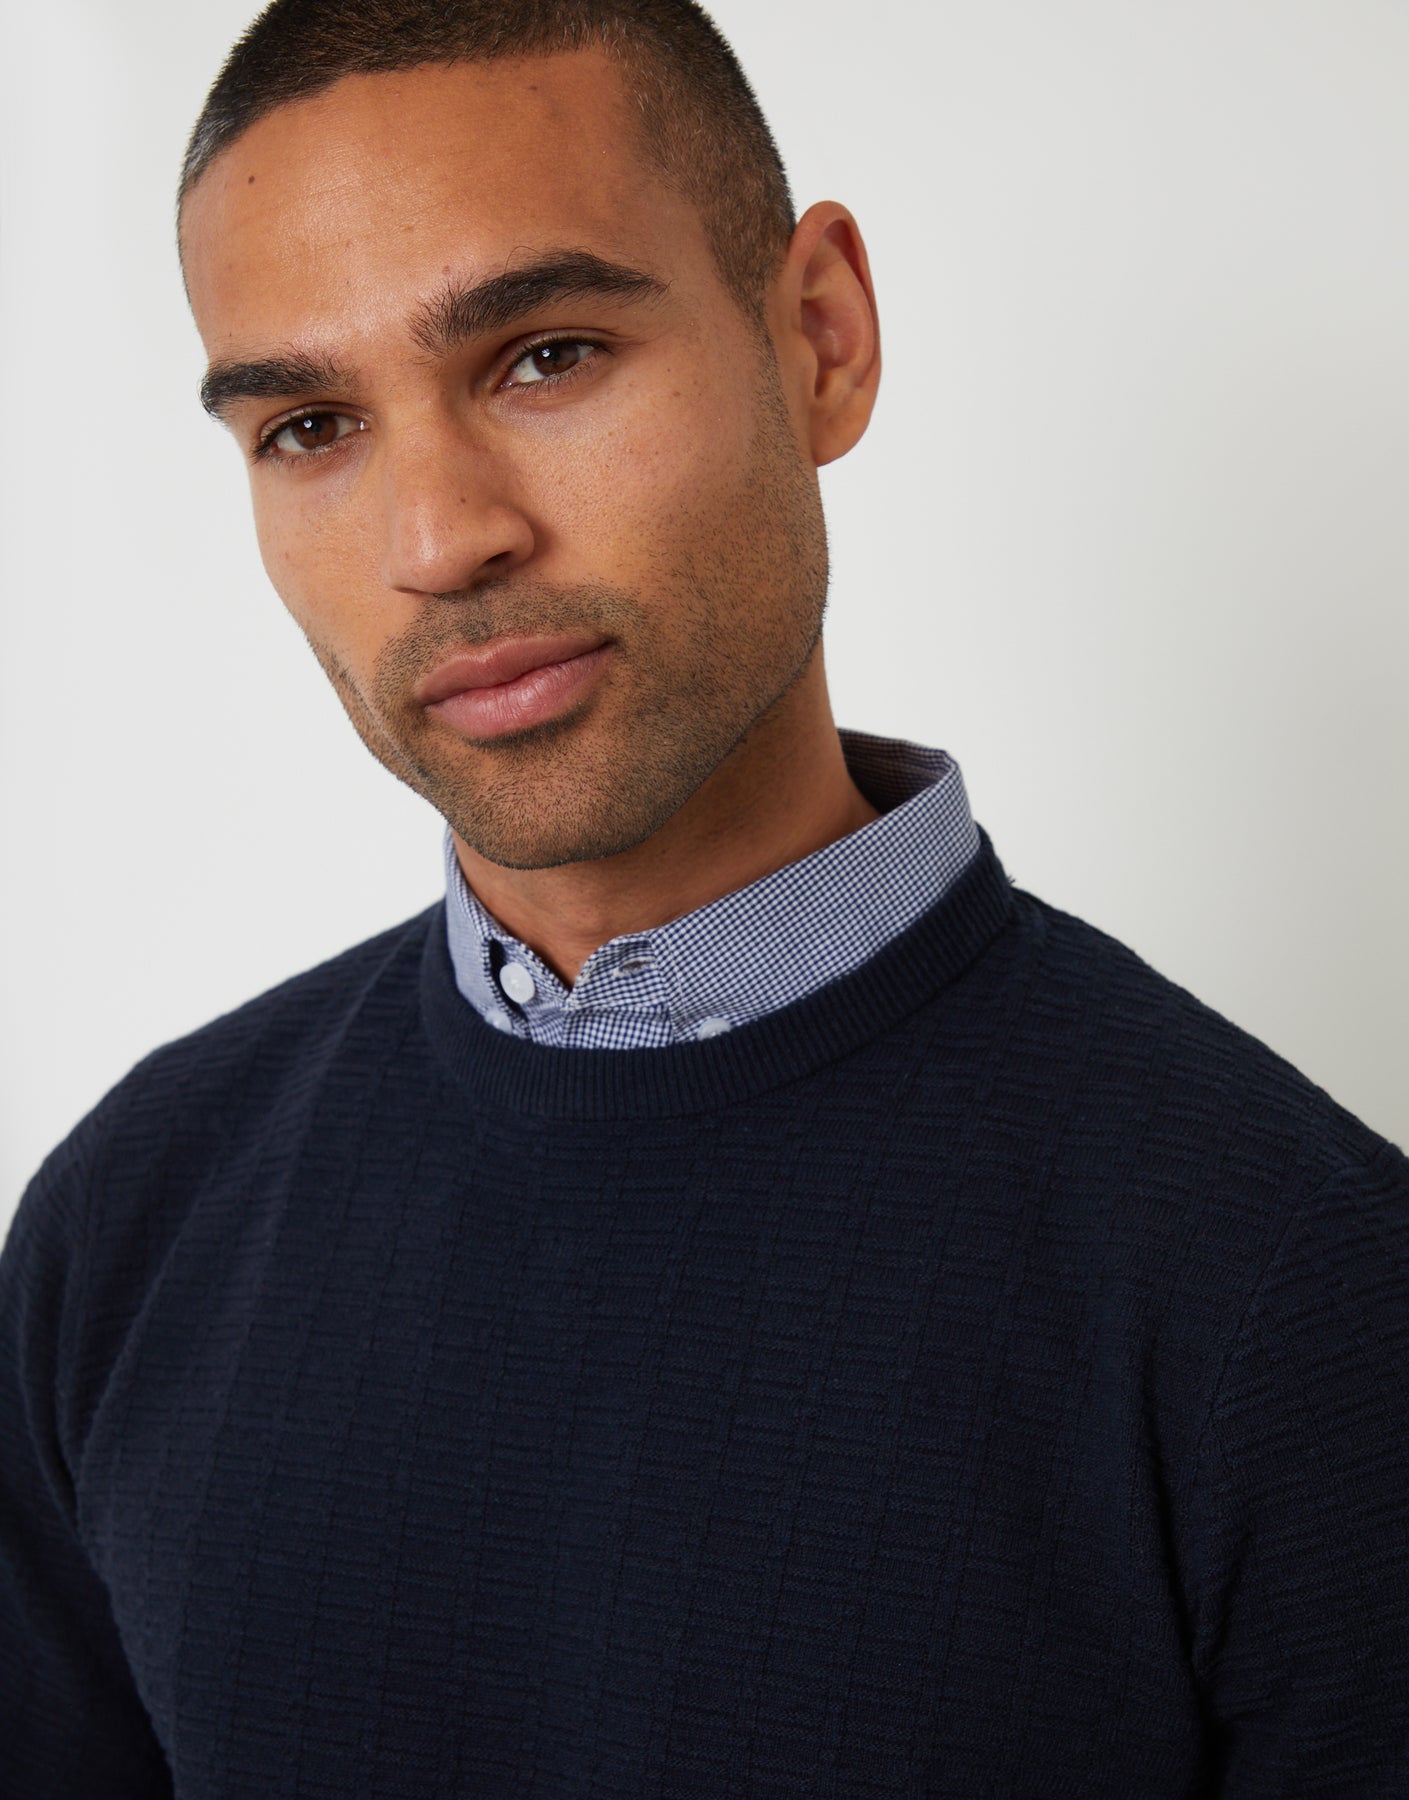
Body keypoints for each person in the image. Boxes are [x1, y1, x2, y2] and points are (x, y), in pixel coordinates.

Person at [2, 0, 1406, 1791]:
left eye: (545, 356)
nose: (438, 539)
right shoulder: (128, 1220)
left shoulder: (1300, 1291)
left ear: (819, 338)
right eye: (310, 425)